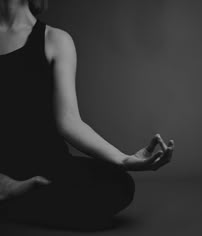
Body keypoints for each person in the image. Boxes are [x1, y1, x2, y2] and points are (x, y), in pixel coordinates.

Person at [0, 0, 175, 231]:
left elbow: (69, 122)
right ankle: (12, 195)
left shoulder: (55, 40)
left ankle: (15, 204)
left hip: (50, 167)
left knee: (117, 184)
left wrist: (123, 159)